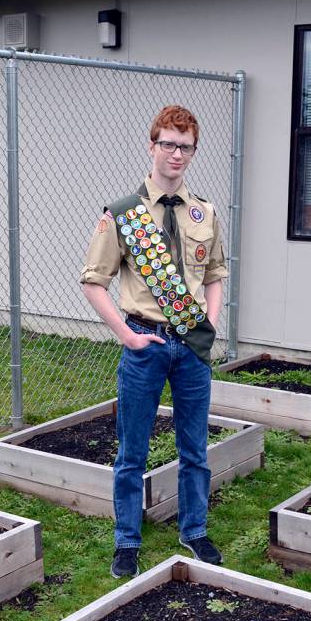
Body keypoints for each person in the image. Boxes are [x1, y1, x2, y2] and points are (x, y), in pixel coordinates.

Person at [80, 105, 227, 578]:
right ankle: (127, 540)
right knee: (132, 451)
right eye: (168, 143)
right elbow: (93, 281)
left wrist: (210, 322)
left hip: (191, 349)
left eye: (185, 146)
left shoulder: (206, 212)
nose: (176, 153)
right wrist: (126, 335)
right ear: (152, 145)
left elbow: (216, 275)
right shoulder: (124, 215)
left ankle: (195, 529)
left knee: (195, 448)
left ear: (193, 151)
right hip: (144, 342)